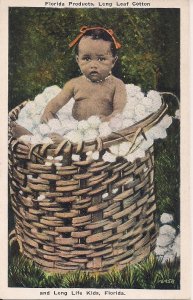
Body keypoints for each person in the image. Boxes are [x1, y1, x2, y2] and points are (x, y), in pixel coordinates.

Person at [12, 26, 127, 142]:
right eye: (86, 59)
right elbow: (57, 101)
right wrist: (48, 112)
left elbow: (118, 111)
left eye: (101, 59)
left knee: (109, 134)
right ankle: (31, 136)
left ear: (113, 61)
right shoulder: (75, 84)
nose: (93, 65)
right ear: (78, 60)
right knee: (47, 129)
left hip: (100, 133)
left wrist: (108, 120)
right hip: (74, 126)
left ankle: (62, 143)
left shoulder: (117, 85)